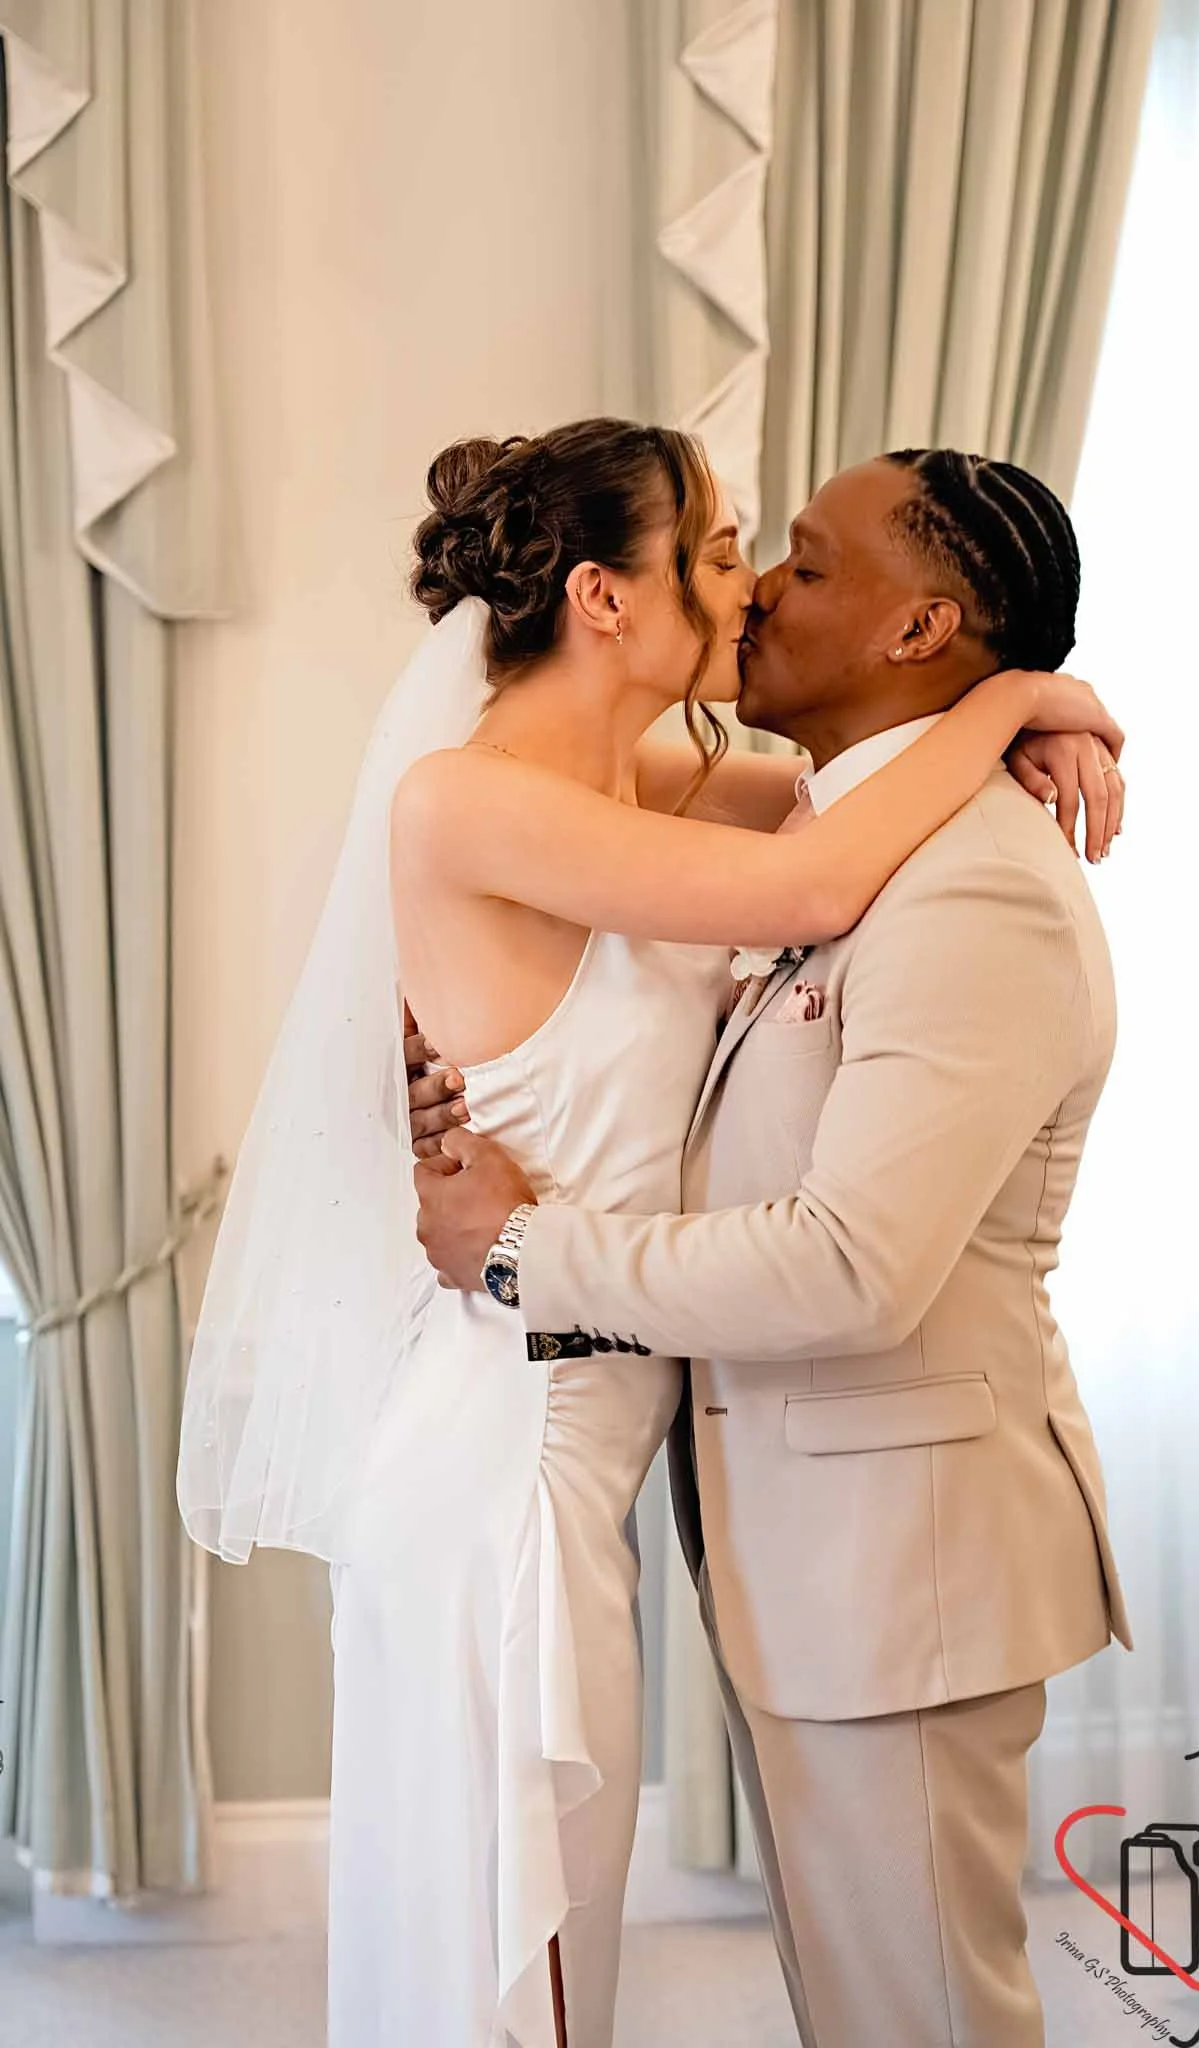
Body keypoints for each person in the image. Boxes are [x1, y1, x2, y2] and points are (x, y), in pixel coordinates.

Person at [176, 417, 1119, 2048]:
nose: (752, 588)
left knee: (556, 1974)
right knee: (514, 1990)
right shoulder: (466, 802)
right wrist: (1013, 701)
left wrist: (1030, 711)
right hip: (506, 1466)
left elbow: (851, 815)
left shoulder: (668, 784)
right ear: (610, 600)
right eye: (730, 551)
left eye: (783, 557)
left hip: (598, 1460)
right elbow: (825, 877)